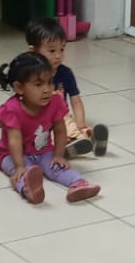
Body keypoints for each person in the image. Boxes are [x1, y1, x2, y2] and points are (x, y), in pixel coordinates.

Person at [0, 51, 100, 204]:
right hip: (12, 155)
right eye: (38, 84)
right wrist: (19, 166)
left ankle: (78, 183)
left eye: (49, 82)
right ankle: (27, 189)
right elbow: (14, 141)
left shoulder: (55, 102)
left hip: (43, 151)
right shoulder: (12, 109)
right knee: (23, 172)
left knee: (57, 166)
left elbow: (60, 131)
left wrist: (59, 155)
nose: (47, 89)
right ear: (19, 87)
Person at [26, 17, 108, 158]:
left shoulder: (65, 73)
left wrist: (81, 123)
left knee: (73, 127)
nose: (58, 55)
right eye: (52, 50)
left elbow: (75, 101)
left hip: (60, 117)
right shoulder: (29, 75)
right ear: (33, 51)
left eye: (62, 49)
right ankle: (65, 147)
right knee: (44, 138)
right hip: (38, 119)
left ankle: (91, 141)